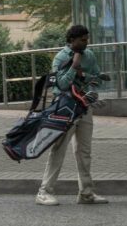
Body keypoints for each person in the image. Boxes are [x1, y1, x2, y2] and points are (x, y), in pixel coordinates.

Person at [35, 24, 109, 206]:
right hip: (65, 109)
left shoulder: (89, 55)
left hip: (84, 107)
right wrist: (74, 66)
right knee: (58, 151)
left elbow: (96, 77)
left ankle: (86, 193)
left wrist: (92, 86)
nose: (86, 42)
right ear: (71, 40)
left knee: (84, 152)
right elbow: (60, 85)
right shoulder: (61, 57)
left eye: (87, 39)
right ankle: (44, 192)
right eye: (82, 40)